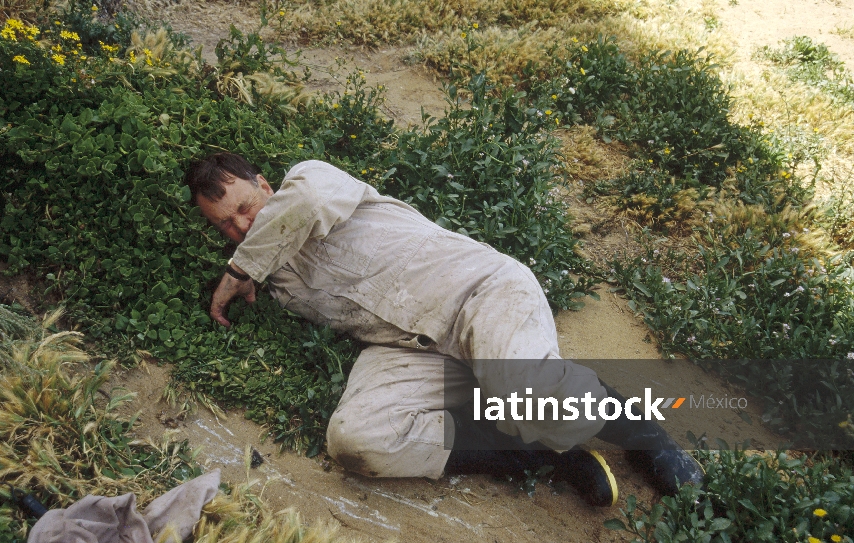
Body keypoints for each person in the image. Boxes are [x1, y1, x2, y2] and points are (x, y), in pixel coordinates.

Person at [184, 153, 703, 507]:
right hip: (411, 347)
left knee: (523, 393)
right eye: (225, 227)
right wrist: (258, 273)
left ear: (265, 186)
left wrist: (239, 268)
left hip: (479, 294)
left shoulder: (310, 180)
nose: (242, 229)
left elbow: (305, 210)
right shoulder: (276, 282)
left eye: (245, 208)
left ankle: (647, 437)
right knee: (356, 440)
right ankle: (537, 457)